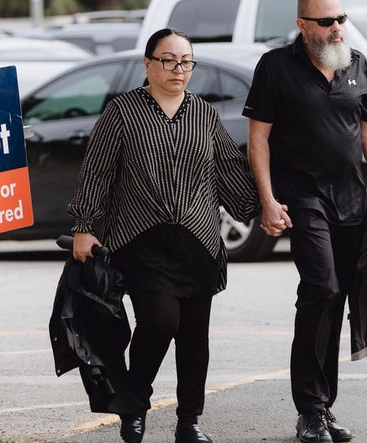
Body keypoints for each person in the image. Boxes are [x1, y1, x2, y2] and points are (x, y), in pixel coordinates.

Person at [69, 28, 260, 443]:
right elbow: (97, 172)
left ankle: (189, 421)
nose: (178, 69)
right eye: (168, 60)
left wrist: (262, 208)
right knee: (159, 322)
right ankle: (133, 404)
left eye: (186, 61)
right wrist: (84, 226)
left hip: (198, 241)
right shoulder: (123, 112)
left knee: (195, 337)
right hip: (140, 239)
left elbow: (229, 168)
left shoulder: (204, 114)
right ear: (148, 64)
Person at [243, 0, 367, 443]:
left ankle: (323, 408)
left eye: (341, 19)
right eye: (326, 21)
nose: (337, 28)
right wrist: (268, 200)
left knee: (340, 298)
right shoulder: (275, 67)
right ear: (302, 25)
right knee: (321, 287)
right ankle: (310, 408)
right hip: (302, 196)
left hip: (352, 200)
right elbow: (259, 140)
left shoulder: (356, 63)